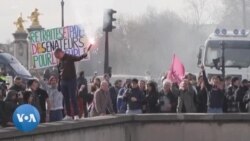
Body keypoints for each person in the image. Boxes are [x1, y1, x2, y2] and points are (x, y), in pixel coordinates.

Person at [54, 48, 88, 120]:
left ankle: (76, 114)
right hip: (63, 81)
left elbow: (77, 58)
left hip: (71, 80)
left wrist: (83, 55)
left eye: (57, 56)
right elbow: (59, 73)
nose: (57, 58)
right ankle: (68, 115)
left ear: (60, 53)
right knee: (66, 99)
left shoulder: (69, 57)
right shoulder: (60, 61)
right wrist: (59, 84)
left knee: (73, 97)